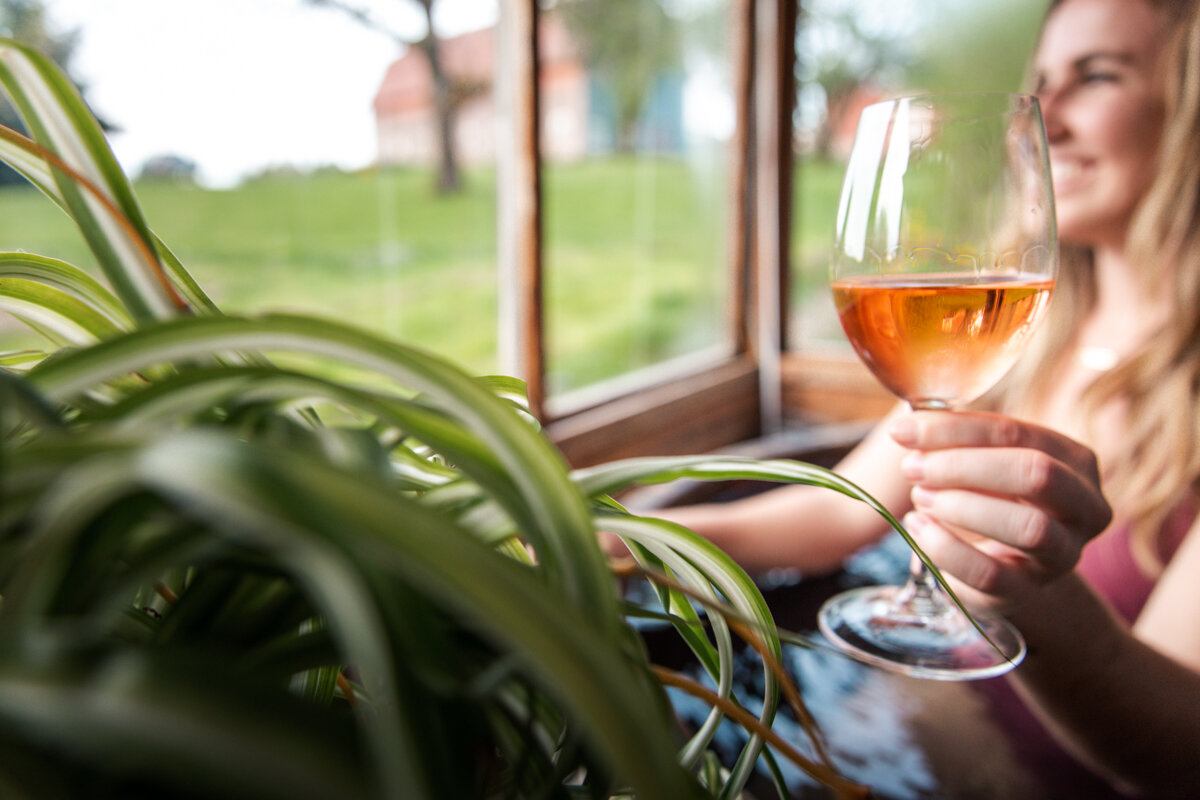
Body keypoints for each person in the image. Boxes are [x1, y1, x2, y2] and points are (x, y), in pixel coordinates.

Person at [649, 0, 1200, 795]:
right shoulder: (1021, 338)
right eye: (1043, 82)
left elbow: (1180, 755)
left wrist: (1026, 594)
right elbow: (842, 512)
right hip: (862, 718)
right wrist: (633, 534)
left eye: (1099, 75)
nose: (1053, 114)